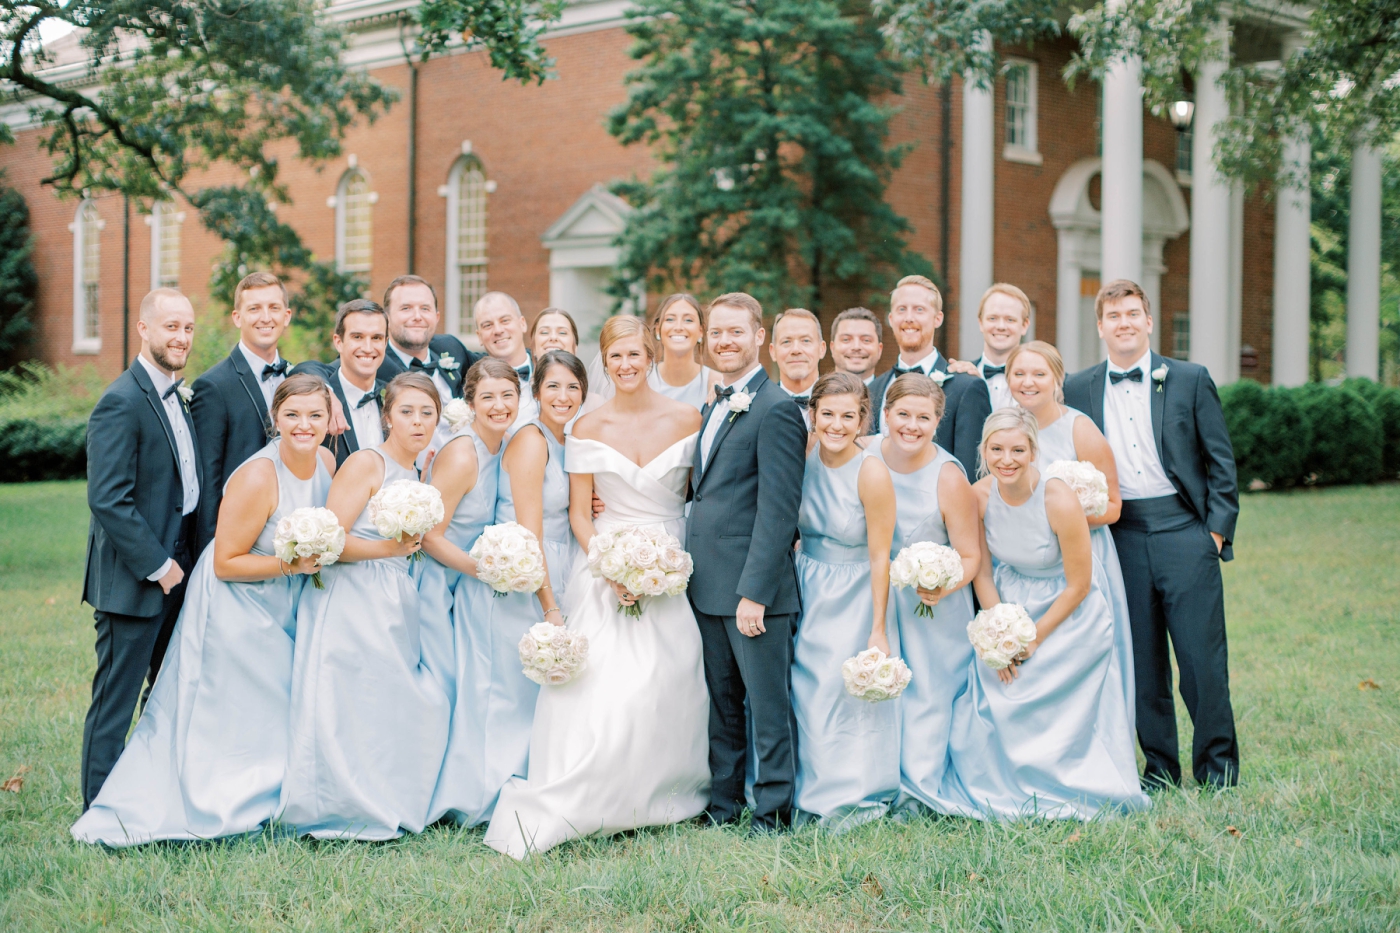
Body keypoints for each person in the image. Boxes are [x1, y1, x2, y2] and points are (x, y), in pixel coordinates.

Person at [72, 375, 336, 845]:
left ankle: (268, 794)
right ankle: (218, 800)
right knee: (232, 705)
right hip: (237, 604)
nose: (304, 425)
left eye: (315, 415)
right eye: (292, 414)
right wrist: (289, 563)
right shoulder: (259, 475)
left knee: (277, 702)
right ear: (275, 419)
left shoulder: (328, 463)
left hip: (284, 599)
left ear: (329, 419)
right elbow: (226, 562)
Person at [484, 316, 708, 858]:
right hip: (603, 566)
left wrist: (658, 565)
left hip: (670, 560)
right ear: (604, 364)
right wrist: (612, 568)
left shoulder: (689, 418)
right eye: (616, 358)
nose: (626, 365)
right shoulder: (586, 428)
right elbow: (582, 516)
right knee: (602, 688)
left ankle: (666, 794)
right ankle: (593, 793)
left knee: (669, 681)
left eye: (635, 354)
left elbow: (702, 494)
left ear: (649, 355)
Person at [1063, 279, 1240, 789]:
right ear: (1100, 326)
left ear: (1148, 321)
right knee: (1140, 662)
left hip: (1185, 530)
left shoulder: (1188, 378)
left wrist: (1215, 534)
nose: (1123, 323)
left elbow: (1221, 462)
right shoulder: (1078, 387)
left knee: (1202, 661)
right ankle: (1159, 769)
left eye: (1132, 313)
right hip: (1120, 535)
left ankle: (1218, 771)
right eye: (1113, 315)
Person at [941, 408, 1148, 819]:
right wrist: (1001, 635)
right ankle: (1003, 786)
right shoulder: (978, 496)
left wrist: (1034, 637)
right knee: (993, 682)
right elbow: (981, 570)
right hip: (1011, 600)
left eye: (1018, 449)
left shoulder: (1058, 497)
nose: (1007, 459)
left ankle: (1075, 785)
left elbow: (1080, 584)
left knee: (1046, 678)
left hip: (1069, 612)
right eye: (997, 449)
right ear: (984, 450)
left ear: (1033, 450)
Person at [280, 373, 451, 839]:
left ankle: (385, 796)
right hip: (351, 594)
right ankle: (341, 806)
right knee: (349, 701)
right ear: (386, 416)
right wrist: (392, 551)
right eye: (406, 412)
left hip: (395, 595)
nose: (418, 422)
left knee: (385, 699)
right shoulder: (365, 463)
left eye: (427, 413)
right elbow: (328, 541)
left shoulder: (419, 473)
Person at [688, 292, 808, 832]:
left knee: (766, 706)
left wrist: (755, 592)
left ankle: (774, 812)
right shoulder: (716, 403)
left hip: (754, 592)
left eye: (736, 332)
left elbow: (779, 513)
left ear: (760, 337)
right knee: (723, 706)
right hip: (708, 584)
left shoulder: (777, 407)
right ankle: (723, 804)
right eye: (717, 332)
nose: (725, 342)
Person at [79, 287, 202, 810]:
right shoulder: (121, 400)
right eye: (171, 326)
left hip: (184, 570)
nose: (181, 337)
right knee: (116, 701)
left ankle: (148, 793)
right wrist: (159, 566)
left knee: (167, 692)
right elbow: (108, 499)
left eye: (189, 328)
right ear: (144, 329)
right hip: (136, 579)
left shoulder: (178, 394)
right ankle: (99, 810)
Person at [1006, 340, 1135, 737]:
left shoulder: (1080, 428)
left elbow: (1113, 506)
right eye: (1019, 374)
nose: (1028, 382)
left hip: (1077, 561)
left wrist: (1066, 521)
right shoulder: (1003, 425)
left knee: (1076, 656)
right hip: (1019, 566)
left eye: (1039, 374)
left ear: (1058, 380)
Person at [867, 374, 981, 817]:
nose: (911, 426)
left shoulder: (948, 476)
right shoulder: (864, 453)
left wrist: (939, 585)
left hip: (931, 606)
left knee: (927, 694)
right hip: (876, 594)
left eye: (924, 418)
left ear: (938, 422)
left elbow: (970, 555)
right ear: (885, 414)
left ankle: (920, 788)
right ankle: (875, 779)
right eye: (903, 415)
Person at [790, 373, 898, 828]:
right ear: (812, 415)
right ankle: (804, 790)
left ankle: (849, 794)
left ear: (862, 421)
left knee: (841, 691)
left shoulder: (871, 470)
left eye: (847, 416)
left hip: (854, 590)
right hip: (806, 582)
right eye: (827, 414)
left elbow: (881, 556)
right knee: (804, 691)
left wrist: (877, 626)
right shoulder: (806, 454)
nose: (836, 425)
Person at [419, 359, 516, 825]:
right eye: (488, 397)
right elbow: (429, 535)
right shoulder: (463, 453)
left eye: (507, 395)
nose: (499, 406)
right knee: (444, 688)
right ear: (471, 403)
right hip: (439, 582)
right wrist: (485, 571)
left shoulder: (508, 444)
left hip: (467, 582)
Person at [190, 272, 292, 552]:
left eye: (274, 308)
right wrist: (211, 553)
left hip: (295, 527)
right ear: (237, 317)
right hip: (239, 536)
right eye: (254, 309)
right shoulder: (213, 386)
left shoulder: (298, 378)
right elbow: (207, 481)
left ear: (287, 315)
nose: (266, 317)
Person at [867, 275, 992, 479]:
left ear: (938, 318)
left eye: (919, 309)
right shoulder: (873, 390)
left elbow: (970, 474)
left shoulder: (966, 387)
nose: (909, 318)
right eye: (901, 309)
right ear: (891, 319)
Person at [292, 299, 390, 467]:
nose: (367, 347)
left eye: (376, 338)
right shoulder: (320, 400)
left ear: (385, 343)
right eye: (357, 337)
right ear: (338, 342)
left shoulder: (392, 398)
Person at [583, 295, 718, 415]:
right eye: (670, 319)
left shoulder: (717, 382)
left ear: (701, 331)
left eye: (688, 320)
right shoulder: (637, 376)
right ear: (658, 329)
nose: (678, 327)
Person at [948, 283, 1032, 411]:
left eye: (1010, 320)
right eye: (993, 318)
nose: (1001, 326)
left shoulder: (1040, 383)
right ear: (981, 323)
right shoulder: (961, 376)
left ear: (1025, 325)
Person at [474, 291, 537, 425]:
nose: (498, 330)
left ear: (522, 324)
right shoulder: (471, 382)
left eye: (505, 321)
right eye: (487, 325)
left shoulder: (548, 370)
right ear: (479, 336)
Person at [770, 308, 826, 429]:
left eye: (806, 340)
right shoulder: (759, 404)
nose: (796, 350)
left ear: (822, 349)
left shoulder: (840, 403)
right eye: (786, 342)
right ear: (773, 351)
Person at [828, 307, 884, 385]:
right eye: (846, 339)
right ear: (832, 348)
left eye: (866, 340)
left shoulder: (891, 396)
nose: (856, 347)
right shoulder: (815, 395)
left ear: (879, 350)